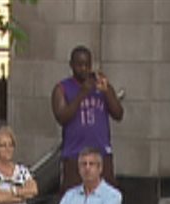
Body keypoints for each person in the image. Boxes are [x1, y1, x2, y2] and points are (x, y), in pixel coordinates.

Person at [53, 45, 125, 192]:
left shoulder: (101, 85)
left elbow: (118, 114)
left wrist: (108, 92)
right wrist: (82, 94)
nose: (84, 69)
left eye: (87, 64)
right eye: (79, 65)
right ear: (71, 65)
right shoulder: (62, 88)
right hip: (75, 154)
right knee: (74, 201)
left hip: (101, 153)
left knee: (105, 201)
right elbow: (62, 117)